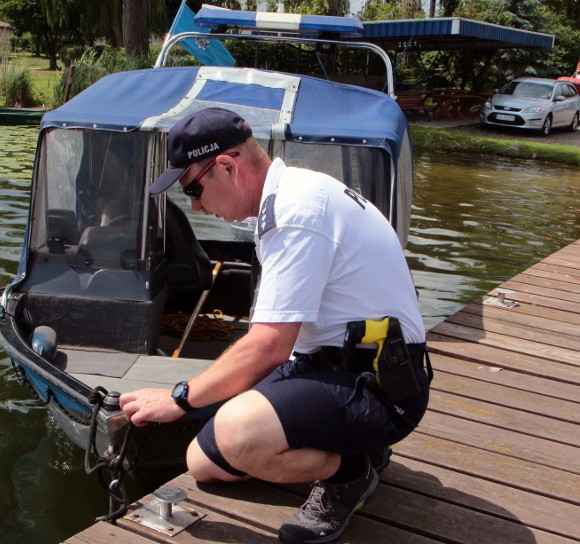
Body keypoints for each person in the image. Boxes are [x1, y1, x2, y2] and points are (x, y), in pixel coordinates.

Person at [119, 107, 431, 544]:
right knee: (202, 462)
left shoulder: (295, 212)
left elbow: (269, 346)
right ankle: (352, 448)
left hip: (382, 384)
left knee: (236, 434)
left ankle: (351, 472)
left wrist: (179, 398)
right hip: (334, 365)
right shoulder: (289, 195)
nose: (195, 206)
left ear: (226, 167)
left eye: (193, 188)